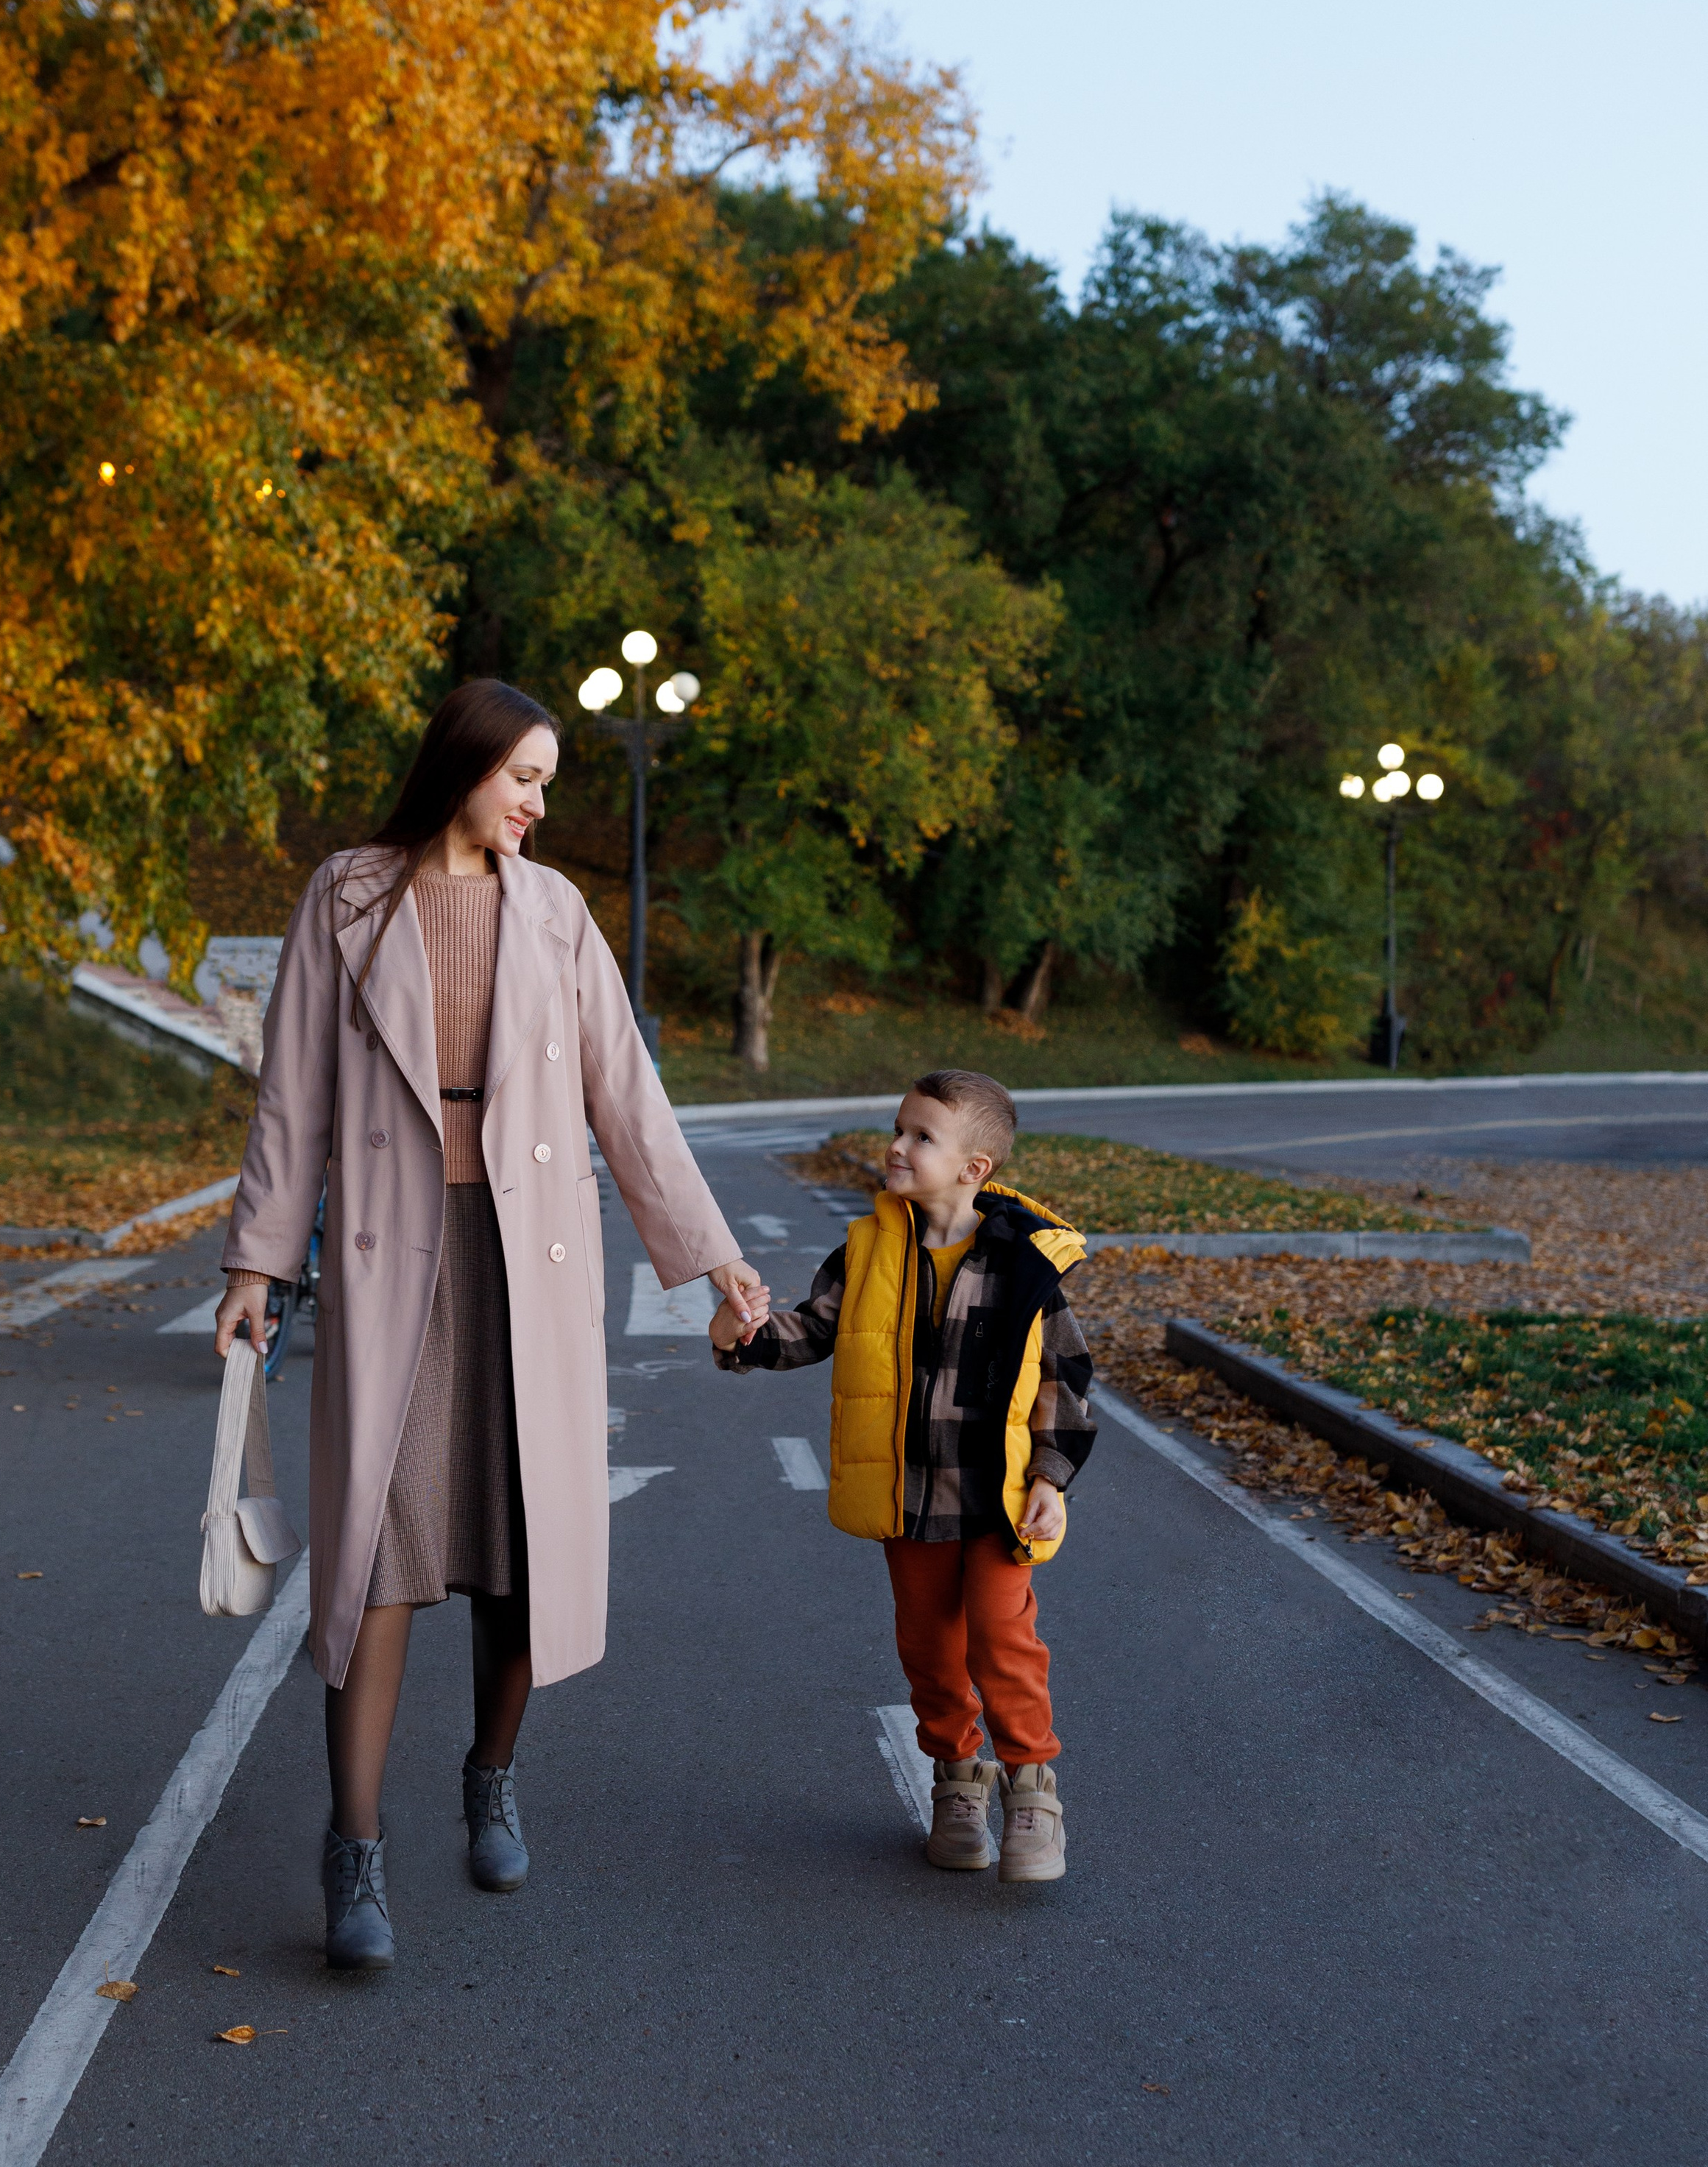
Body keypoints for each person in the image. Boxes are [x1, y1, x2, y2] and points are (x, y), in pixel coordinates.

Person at [216, 679, 767, 1968]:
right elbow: (293, 1091)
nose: (534, 802)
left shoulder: (559, 912)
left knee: (522, 1541)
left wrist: (719, 1265)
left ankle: (490, 1773)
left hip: (533, 1262)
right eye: (521, 775)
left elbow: (629, 1100)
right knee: (379, 1548)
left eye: (548, 784)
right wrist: (256, 1259)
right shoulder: (348, 895)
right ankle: (356, 1850)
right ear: (460, 766)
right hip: (389, 1259)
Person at [711, 1068, 1091, 1881]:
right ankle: (958, 1782)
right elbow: (806, 1333)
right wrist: (740, 1334)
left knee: (1002, 1641)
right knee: (929, 1649)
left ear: (972, 1168)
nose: (897, 1146)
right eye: (898, 1128)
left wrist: (1051, 1481)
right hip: (907, 1500)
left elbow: (1065, 1380)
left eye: (922, 1136)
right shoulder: (867, 1250)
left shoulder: (1025, 1265)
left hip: (996, 1502)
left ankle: (1031, 1790)